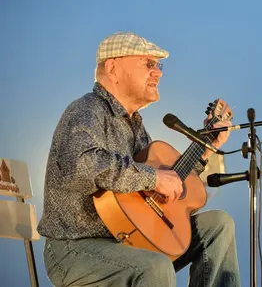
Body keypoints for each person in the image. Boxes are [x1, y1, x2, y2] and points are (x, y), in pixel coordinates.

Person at [37, 31, 241, 287]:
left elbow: (163, 190)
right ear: (113, 68)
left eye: (158, 65)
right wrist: (154, 178)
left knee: (218, 225)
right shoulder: (87, 109)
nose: (159, 72)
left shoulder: (136, 126)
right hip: (75, 248)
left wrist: (205, 147)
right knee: (153, 266)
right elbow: (82, 166)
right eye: (149, 64)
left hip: (133, 239)